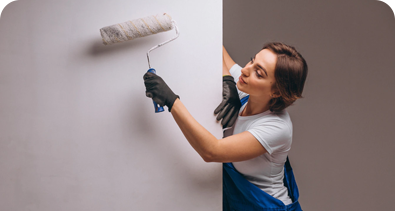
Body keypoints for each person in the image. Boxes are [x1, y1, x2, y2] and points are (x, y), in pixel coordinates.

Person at [143, 42, 308, 210]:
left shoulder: (277, 127)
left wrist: (171, 100)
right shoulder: (245, 87)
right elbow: (216, 46)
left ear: (276, 92)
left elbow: (211, 151)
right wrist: (227, 79)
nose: (245, 70)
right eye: (252, 60)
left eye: (258, 73)